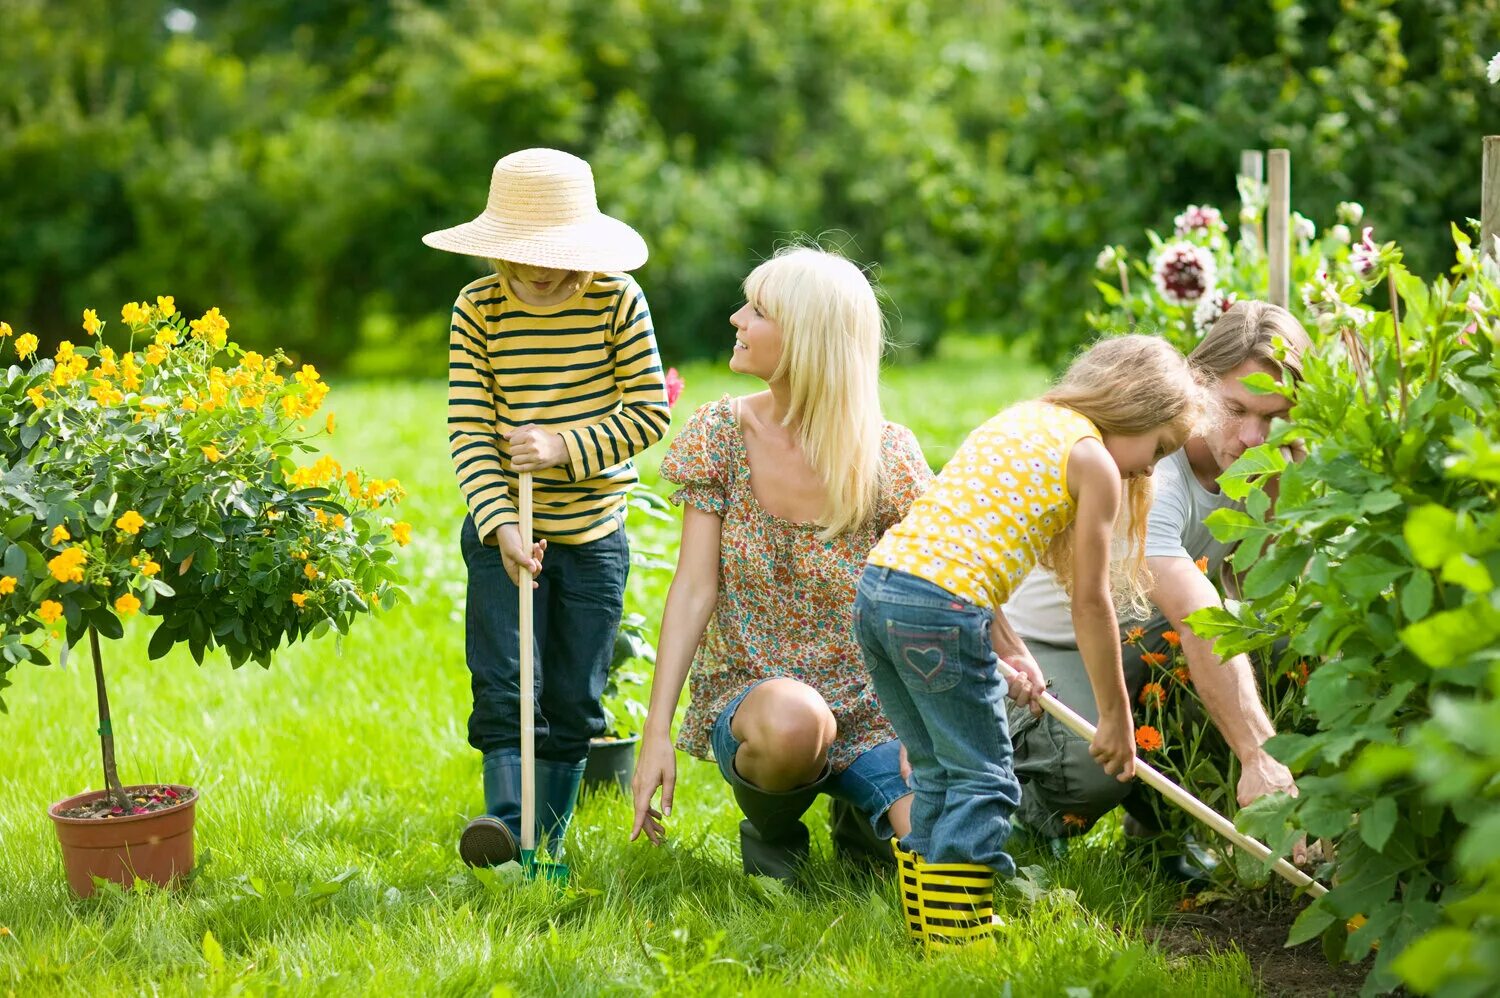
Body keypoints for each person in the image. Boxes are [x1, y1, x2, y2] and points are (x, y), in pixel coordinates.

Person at [854, 335, 1207, 895]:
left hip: (879, 592)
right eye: (1159, 449)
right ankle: (960, 929)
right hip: (943, 610)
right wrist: (1115, 718)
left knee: (938, 775)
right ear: (1136, 408)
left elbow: (952, 552)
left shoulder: (1023, 420)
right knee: (983, 779)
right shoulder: (1094, 462)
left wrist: (1011, 650)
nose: (1148, 470)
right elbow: (1091, 604)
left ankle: (929, 918)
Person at [629, 246, 933, 881]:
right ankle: (773, 832)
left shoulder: (886, 453)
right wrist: (655, 732)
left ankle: (861, 818)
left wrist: (922, 726)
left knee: (938, 854)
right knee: (795, 722)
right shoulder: (720, 433)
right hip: (758, 695)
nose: (737, 319)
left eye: (758, 310)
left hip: (873, 703)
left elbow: (927, 596)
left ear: (806, 339)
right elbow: (692, 589)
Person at [424, 148, 672, 867]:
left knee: (573, 697)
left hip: (593, 536)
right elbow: (469, 427)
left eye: (555, 252)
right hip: (507, 528)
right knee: (505, 683)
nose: (539, 268)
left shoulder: (616, 300)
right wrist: (501, 524)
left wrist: (563, 445)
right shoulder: (479, 308)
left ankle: (548, 842)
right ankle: (507, 827)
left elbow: (650, 413)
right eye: (524, 252)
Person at [1004, 301, 1312, 864]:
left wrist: (1281, 509)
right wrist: (1259, 754)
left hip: (1140, 638)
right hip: (1047, 648)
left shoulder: (1265, 466)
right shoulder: (1152, 470)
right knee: (1089, 772)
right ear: (1198, 384)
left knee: (1282, 647)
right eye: (1236, 408)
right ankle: (993, 821)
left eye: (1273, 417)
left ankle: (1162, 836)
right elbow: (1200, 616)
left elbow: (1261, 603)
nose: (1252, 436)